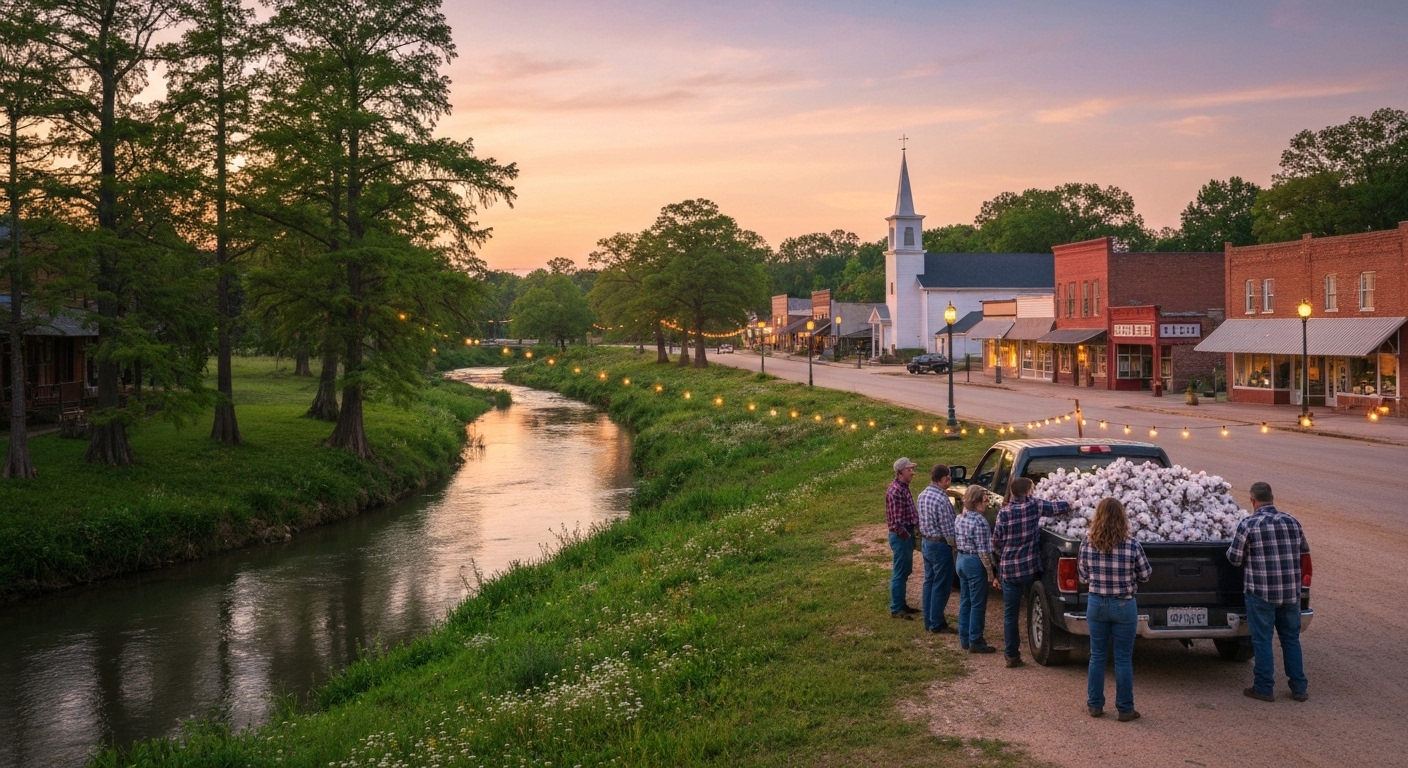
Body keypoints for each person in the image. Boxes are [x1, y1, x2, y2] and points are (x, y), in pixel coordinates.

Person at [1227, 481, 1310, 703]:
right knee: (1290, 639)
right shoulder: (1292, 522)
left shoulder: (1249, 524)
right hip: (1290, 593)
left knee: (1262, 640)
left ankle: (1264, 687)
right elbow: (1303, 553)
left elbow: (1235, 559)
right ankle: (1299, 688)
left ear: (1253, 500)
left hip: (1260, 593)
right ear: (1272, 498)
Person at [1079, 497, 1152, 721]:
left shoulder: (1087, 543)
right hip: (1124, 604)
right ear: (1122, 518)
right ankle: (1125, 708)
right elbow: (1146, 574)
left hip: (1097, 603)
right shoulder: (1132, 545)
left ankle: (1095, 705)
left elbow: (1083, 577)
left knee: (1097, 655)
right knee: (1122, 658)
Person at [992, 476, 1071, 667]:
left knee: (1010, 614)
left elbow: (995, 542)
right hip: (1029, 568)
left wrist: (1002, 558)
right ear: (1028, 492)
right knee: (1034, 603)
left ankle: (1011, 654)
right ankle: (1038, 636)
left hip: (1010, 570)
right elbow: (1058, 507)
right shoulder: (1034, 505)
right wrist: (1072, 501)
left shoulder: (1004, 513)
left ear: (1012, 492)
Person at [954, 484, 998, 653]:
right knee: (978, 603)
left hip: (961, 560)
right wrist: (990, 573)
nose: (987, 505)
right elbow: (984, 552)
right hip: (974, 562)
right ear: (977, 501)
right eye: (985, 501)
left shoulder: (960, 518)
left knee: (966, 600)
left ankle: (964, 638)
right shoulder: (980, 521)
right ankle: (976, 640)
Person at [916, 464, 958, 633]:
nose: (950, 480)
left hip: (926, 542)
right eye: (949, 477)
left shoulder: (922, 495)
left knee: (929, 582)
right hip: (940, 545)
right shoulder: (942, 499)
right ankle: (937, 622)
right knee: (941, 584)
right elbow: (949, 529)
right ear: (944, 479)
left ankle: (928, 620)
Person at [886, 457, 921, 619]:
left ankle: (901, 604)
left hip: (905, 535)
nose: (912, 472)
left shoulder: (903, 487)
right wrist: (908, 536)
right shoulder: (896, 491)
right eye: (909, 470)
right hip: (901, 536)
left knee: (904, 571)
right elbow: (896, 523)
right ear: (900, 473)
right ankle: (897, 608)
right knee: (900, 572)